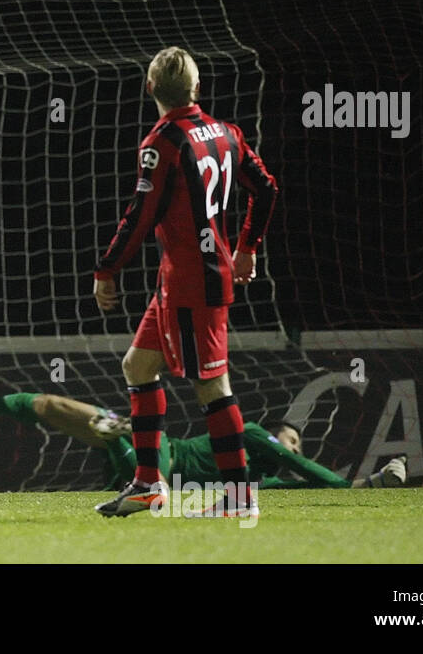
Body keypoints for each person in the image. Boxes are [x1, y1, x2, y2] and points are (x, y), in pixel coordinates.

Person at [91, 47, 279, 518]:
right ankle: (148, 485)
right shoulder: (226, 133)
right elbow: (267, 188)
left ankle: (239, 498)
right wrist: (247, 246)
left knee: (211, 386)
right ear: (197, 88)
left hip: (195, 283)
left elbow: (140, 215)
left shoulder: (163, 142)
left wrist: (106, 269)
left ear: (149, 88)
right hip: (178, 281)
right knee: (137, 366)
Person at [0, 369, 408, 490]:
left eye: (294, 442)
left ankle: (128, 463)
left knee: (147, 475)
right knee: (53, 404)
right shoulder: (248, 434)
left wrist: (369, 484)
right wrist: (352, 487)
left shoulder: (254, 484)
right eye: (289, 438)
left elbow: (302, 485)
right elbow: (304, 468)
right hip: (157, 446)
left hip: (150, 465)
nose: (290, 446)